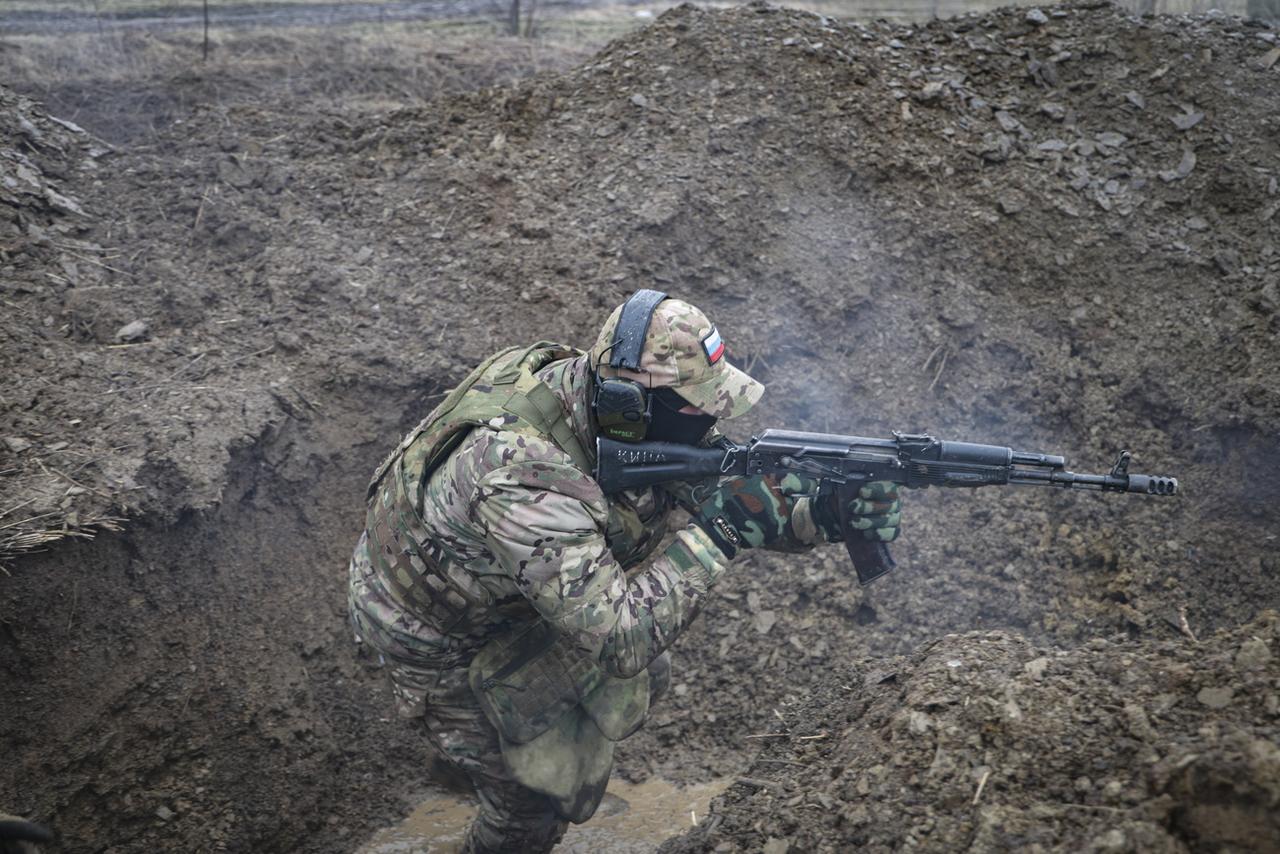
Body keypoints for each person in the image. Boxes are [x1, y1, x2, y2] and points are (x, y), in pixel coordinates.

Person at [347, 291, 902, 852]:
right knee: (530, 812)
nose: (710, 418)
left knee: (642, 678)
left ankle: (487, 756)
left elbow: (723, 489)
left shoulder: (611, 408)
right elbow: (623, 637)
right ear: (627, 403)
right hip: (441, 633)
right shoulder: (523, 475)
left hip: (520, 586)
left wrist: (826, 514)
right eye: (695, 406)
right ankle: (483, 763)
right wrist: (723, 533)